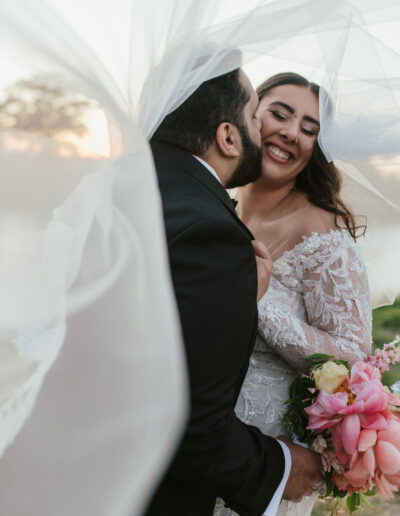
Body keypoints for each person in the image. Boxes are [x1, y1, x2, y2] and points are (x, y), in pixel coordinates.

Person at [144, 69, 324, 516]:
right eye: (262, 114)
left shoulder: (124, 186)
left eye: (309, 127)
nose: (274, 131)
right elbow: (190, 419)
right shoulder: (212, 228)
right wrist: (278, 467)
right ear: (228, 135)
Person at [214, 72, 372, 516]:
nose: (290, 133)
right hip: (202, 442)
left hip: (267, 458)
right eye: (279, 115)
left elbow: (351, 359)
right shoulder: (217, 207)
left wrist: (260, 304)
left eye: (309, 129)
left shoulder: (322, 234)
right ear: (249, 117)